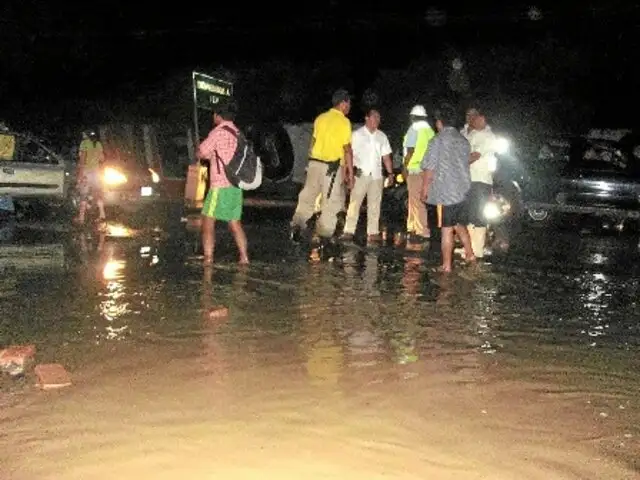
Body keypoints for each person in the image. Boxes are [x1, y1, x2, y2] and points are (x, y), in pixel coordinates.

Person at [290, 89, 354, 243]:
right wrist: (350, 173)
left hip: (314, 164)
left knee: (308, 196)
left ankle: (298, 224)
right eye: (349, 102)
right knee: (330, 201)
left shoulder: (320, 118)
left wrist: (309, 163)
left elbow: (313, 143)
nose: (350, 106)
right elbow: (347, 149)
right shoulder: (344, 122)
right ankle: (324, 234)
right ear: (343, 103)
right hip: (330, 168)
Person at [420, 104, 476, 273]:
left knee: (446, 228)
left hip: (448, 191)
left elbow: (429, 169)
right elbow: (466, 162)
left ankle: (446, 265)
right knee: (458, 223)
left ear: (439, 122)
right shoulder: (463, 141)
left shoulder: (437, 141)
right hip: (464, 189)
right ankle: (470, 254)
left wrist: (424, 190)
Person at [197, 100, 249, 266]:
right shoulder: (238, 133)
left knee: (207, 220)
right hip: (236, 185)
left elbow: (201, 152)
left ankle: (208, 259)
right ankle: (244, 257)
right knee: (234, 222)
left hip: (220, 185)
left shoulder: (218, 132)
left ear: (218, 115)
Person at [342, 107, 394, 244]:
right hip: (361, 174)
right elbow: (348, 154)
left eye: (378, 118)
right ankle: (348, 230)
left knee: (375, 204)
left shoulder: (382, 136)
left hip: (376, 175)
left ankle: (373, 232)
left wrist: (390, 173)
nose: (377, 120)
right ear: (367, 118)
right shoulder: (357, 135)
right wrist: (348, 172)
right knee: (355, 202)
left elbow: (386, 156)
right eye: (374, 117)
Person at [466, 111, 498, 259]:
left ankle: (477, 249)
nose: (472, 120)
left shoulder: (487, 136)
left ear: (483, 118)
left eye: (475, 117)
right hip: (470, 178)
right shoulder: (472, 133)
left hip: (480, 179)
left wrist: (455, 164)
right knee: (470, 213)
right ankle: (470, 247)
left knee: (478, 214)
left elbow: (475, 155)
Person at [402, 105, 435, 243]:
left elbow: (410, 150)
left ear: (412, 117)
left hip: (415, 169)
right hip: (427, 170)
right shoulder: (430, 131)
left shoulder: (414, 129)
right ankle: (412, 226)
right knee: (414, 200)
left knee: (416, 200)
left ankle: (422, 230)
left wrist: (405, 167)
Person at [74, 130, 106, 227]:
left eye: (84, 133)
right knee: (97, 193)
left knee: (83, 194)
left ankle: (81, 218)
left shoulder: (84, 143)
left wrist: (80, 174)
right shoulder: (98, 144)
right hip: (96, 172)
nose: (82, 135)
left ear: (86, 135)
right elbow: (102, 159)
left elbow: (82, 159)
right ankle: (102, 215)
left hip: (87, 172)